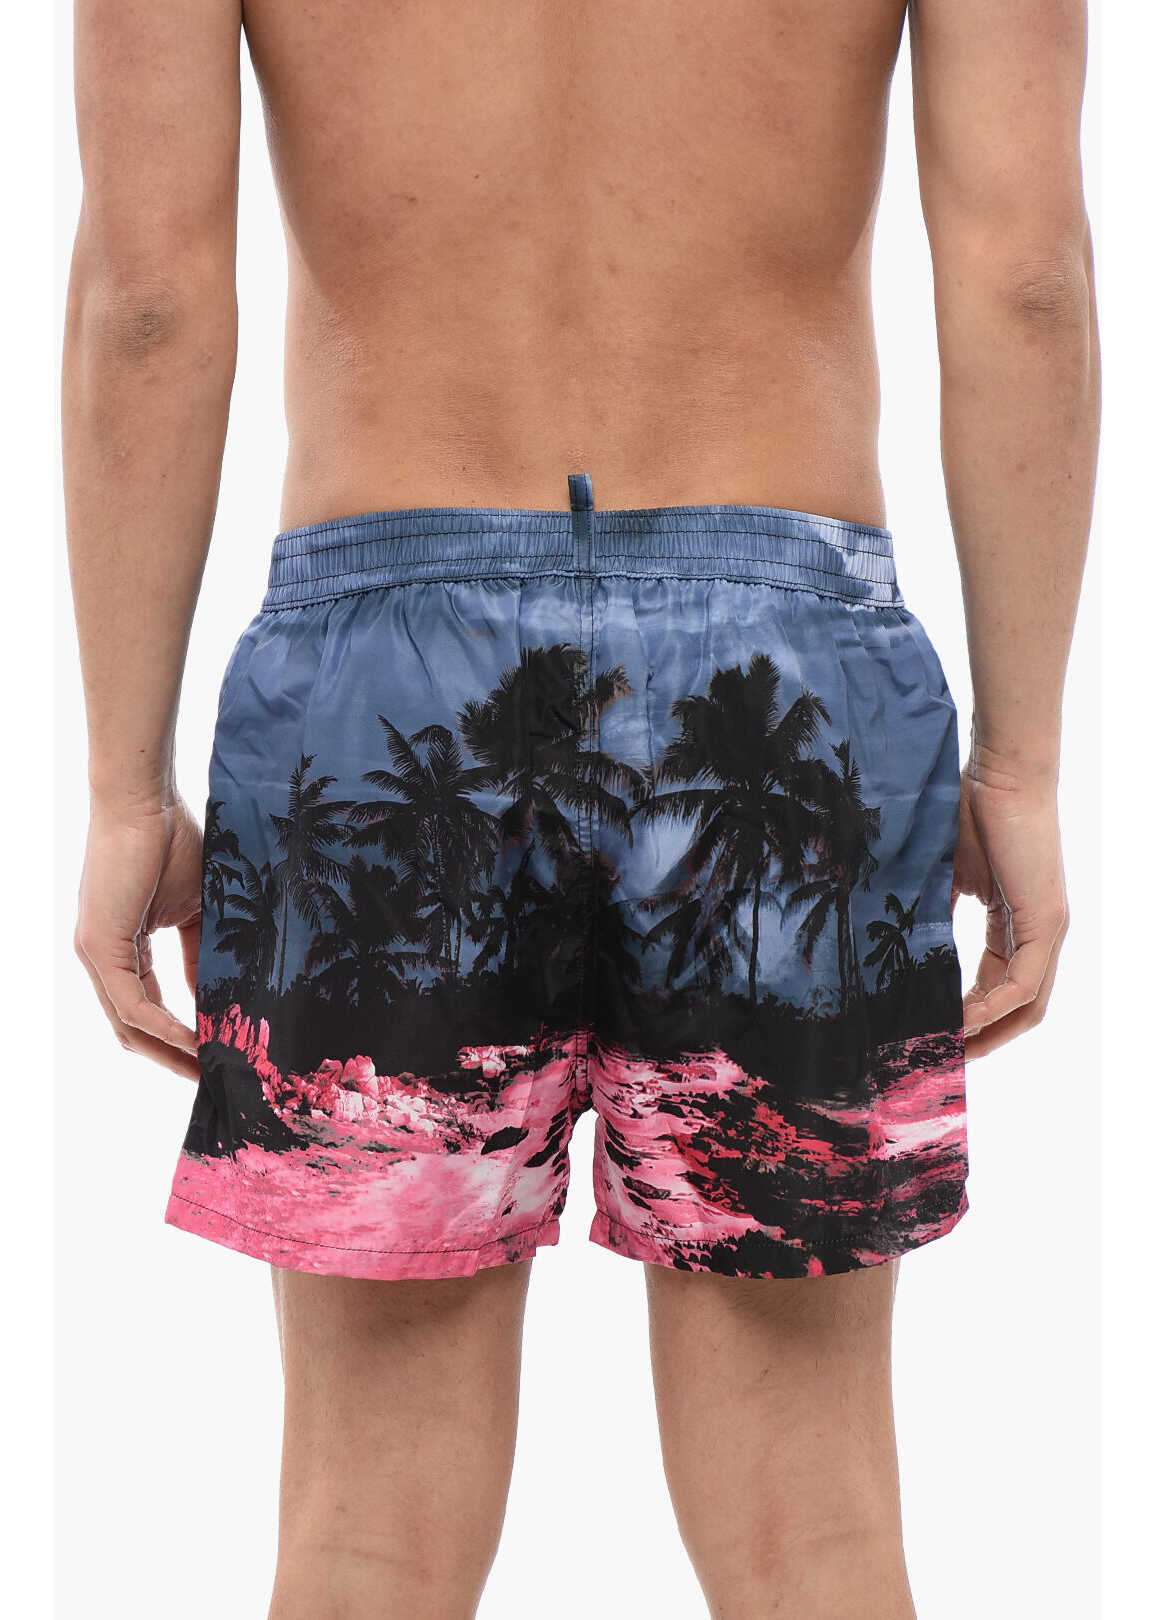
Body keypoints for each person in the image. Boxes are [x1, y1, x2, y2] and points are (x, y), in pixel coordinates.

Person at [63, 1, 1098, 1615]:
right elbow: (1023, 276)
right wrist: (1020, 763)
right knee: (814, 1522)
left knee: (362, 1528)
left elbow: (146, 302)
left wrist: (125, 786)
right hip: (785, 669)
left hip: (385, 684)